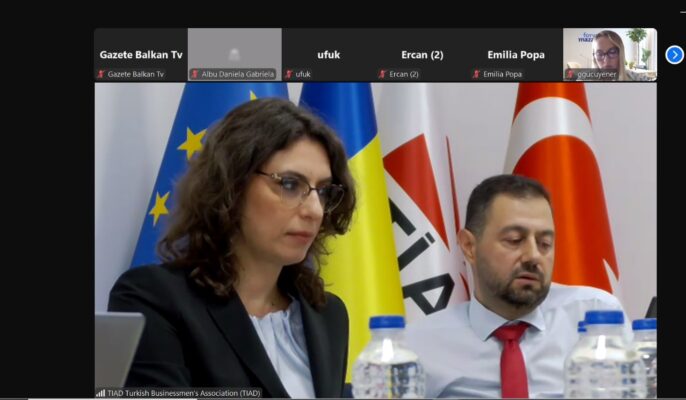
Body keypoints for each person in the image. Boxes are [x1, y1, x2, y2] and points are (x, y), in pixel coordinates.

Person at [108, 98, 356, 398]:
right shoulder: (154, 298)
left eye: (324, 191)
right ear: (232, 186)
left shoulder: (327, 314)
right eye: (290, 184)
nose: (315, 210)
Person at [404, 174, 626, 398]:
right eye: (514, 240)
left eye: (545, 243)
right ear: (469, 246)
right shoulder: (419, 346)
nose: (533, 256)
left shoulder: (597, 318)